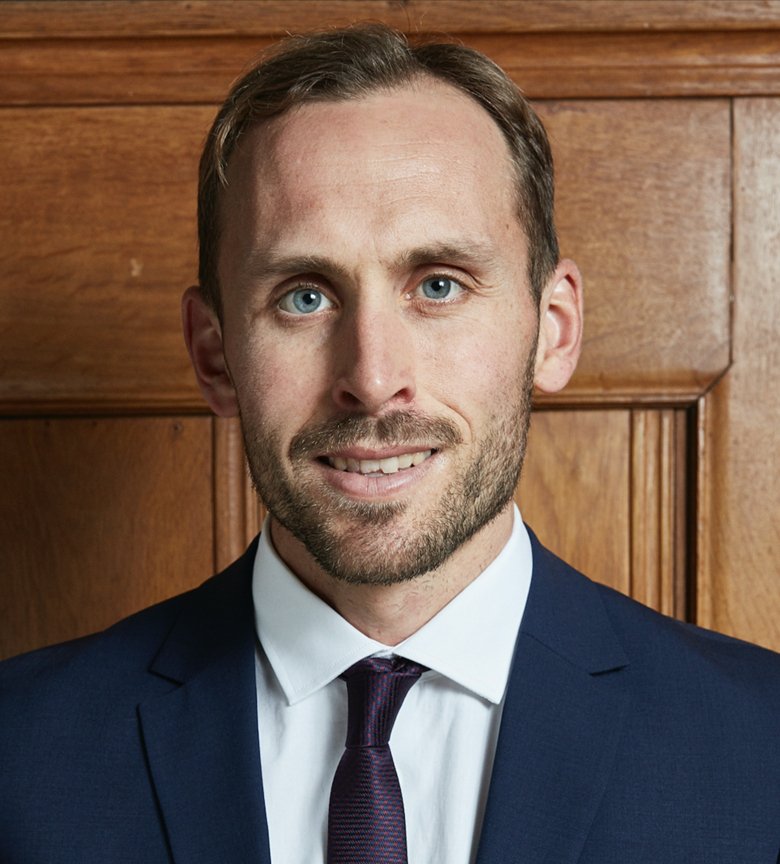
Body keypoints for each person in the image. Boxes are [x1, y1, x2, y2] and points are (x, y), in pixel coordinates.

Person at [1, 24, 778, 864]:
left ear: (553, 330)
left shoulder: (760, 746)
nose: (372, 379)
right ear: (215, 354)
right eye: (304, 297)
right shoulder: (21, 755)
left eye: (438, 285)